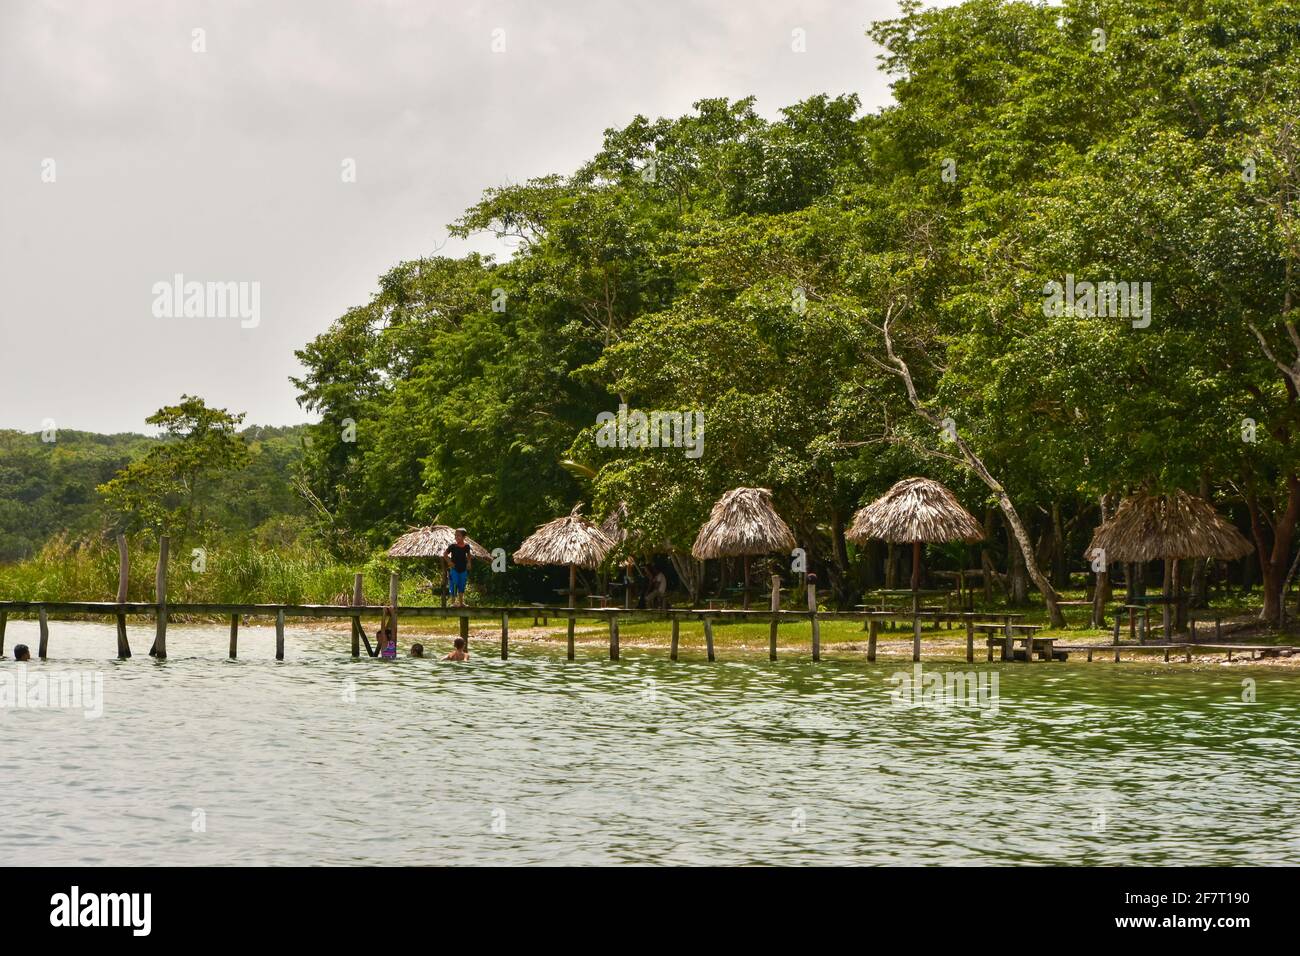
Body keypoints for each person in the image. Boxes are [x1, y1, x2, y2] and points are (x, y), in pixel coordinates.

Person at [443, 528, 473, 608]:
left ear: (463, 537)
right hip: (454, 569)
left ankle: (461, 603)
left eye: (458, 535)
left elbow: (469, 555)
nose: (456, 537)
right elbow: (445, 554)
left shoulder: (467, 546)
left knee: (462, 585)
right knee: (454, 584)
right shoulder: (453, 546)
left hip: (463, 569)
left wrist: (469, 563)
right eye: (455, 535)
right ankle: (453, 602)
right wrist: (449, 562)